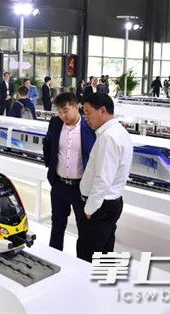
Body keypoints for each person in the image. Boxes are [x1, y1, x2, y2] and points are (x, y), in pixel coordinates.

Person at [77, 93, 132, 262]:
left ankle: (87, 281)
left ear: (102, 110)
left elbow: (103, 179)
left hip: (100, 208)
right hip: (110, 203)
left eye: (88, 113)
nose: (86, 118)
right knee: (105, 254)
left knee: (87, 257)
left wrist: (89, 209)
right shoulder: (119, 131)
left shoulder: (108, 137)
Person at [43, 92, 96, 252]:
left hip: (81, 187)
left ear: (76, 107)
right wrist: (50, 165)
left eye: (65, 110)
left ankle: (82, 261)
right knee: (57, 225)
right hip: (59, 185)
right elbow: (48, 144)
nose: (62, 115)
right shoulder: (55, 123)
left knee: (84, 228)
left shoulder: (89, 126)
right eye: (59, 111)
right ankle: (54, 257)